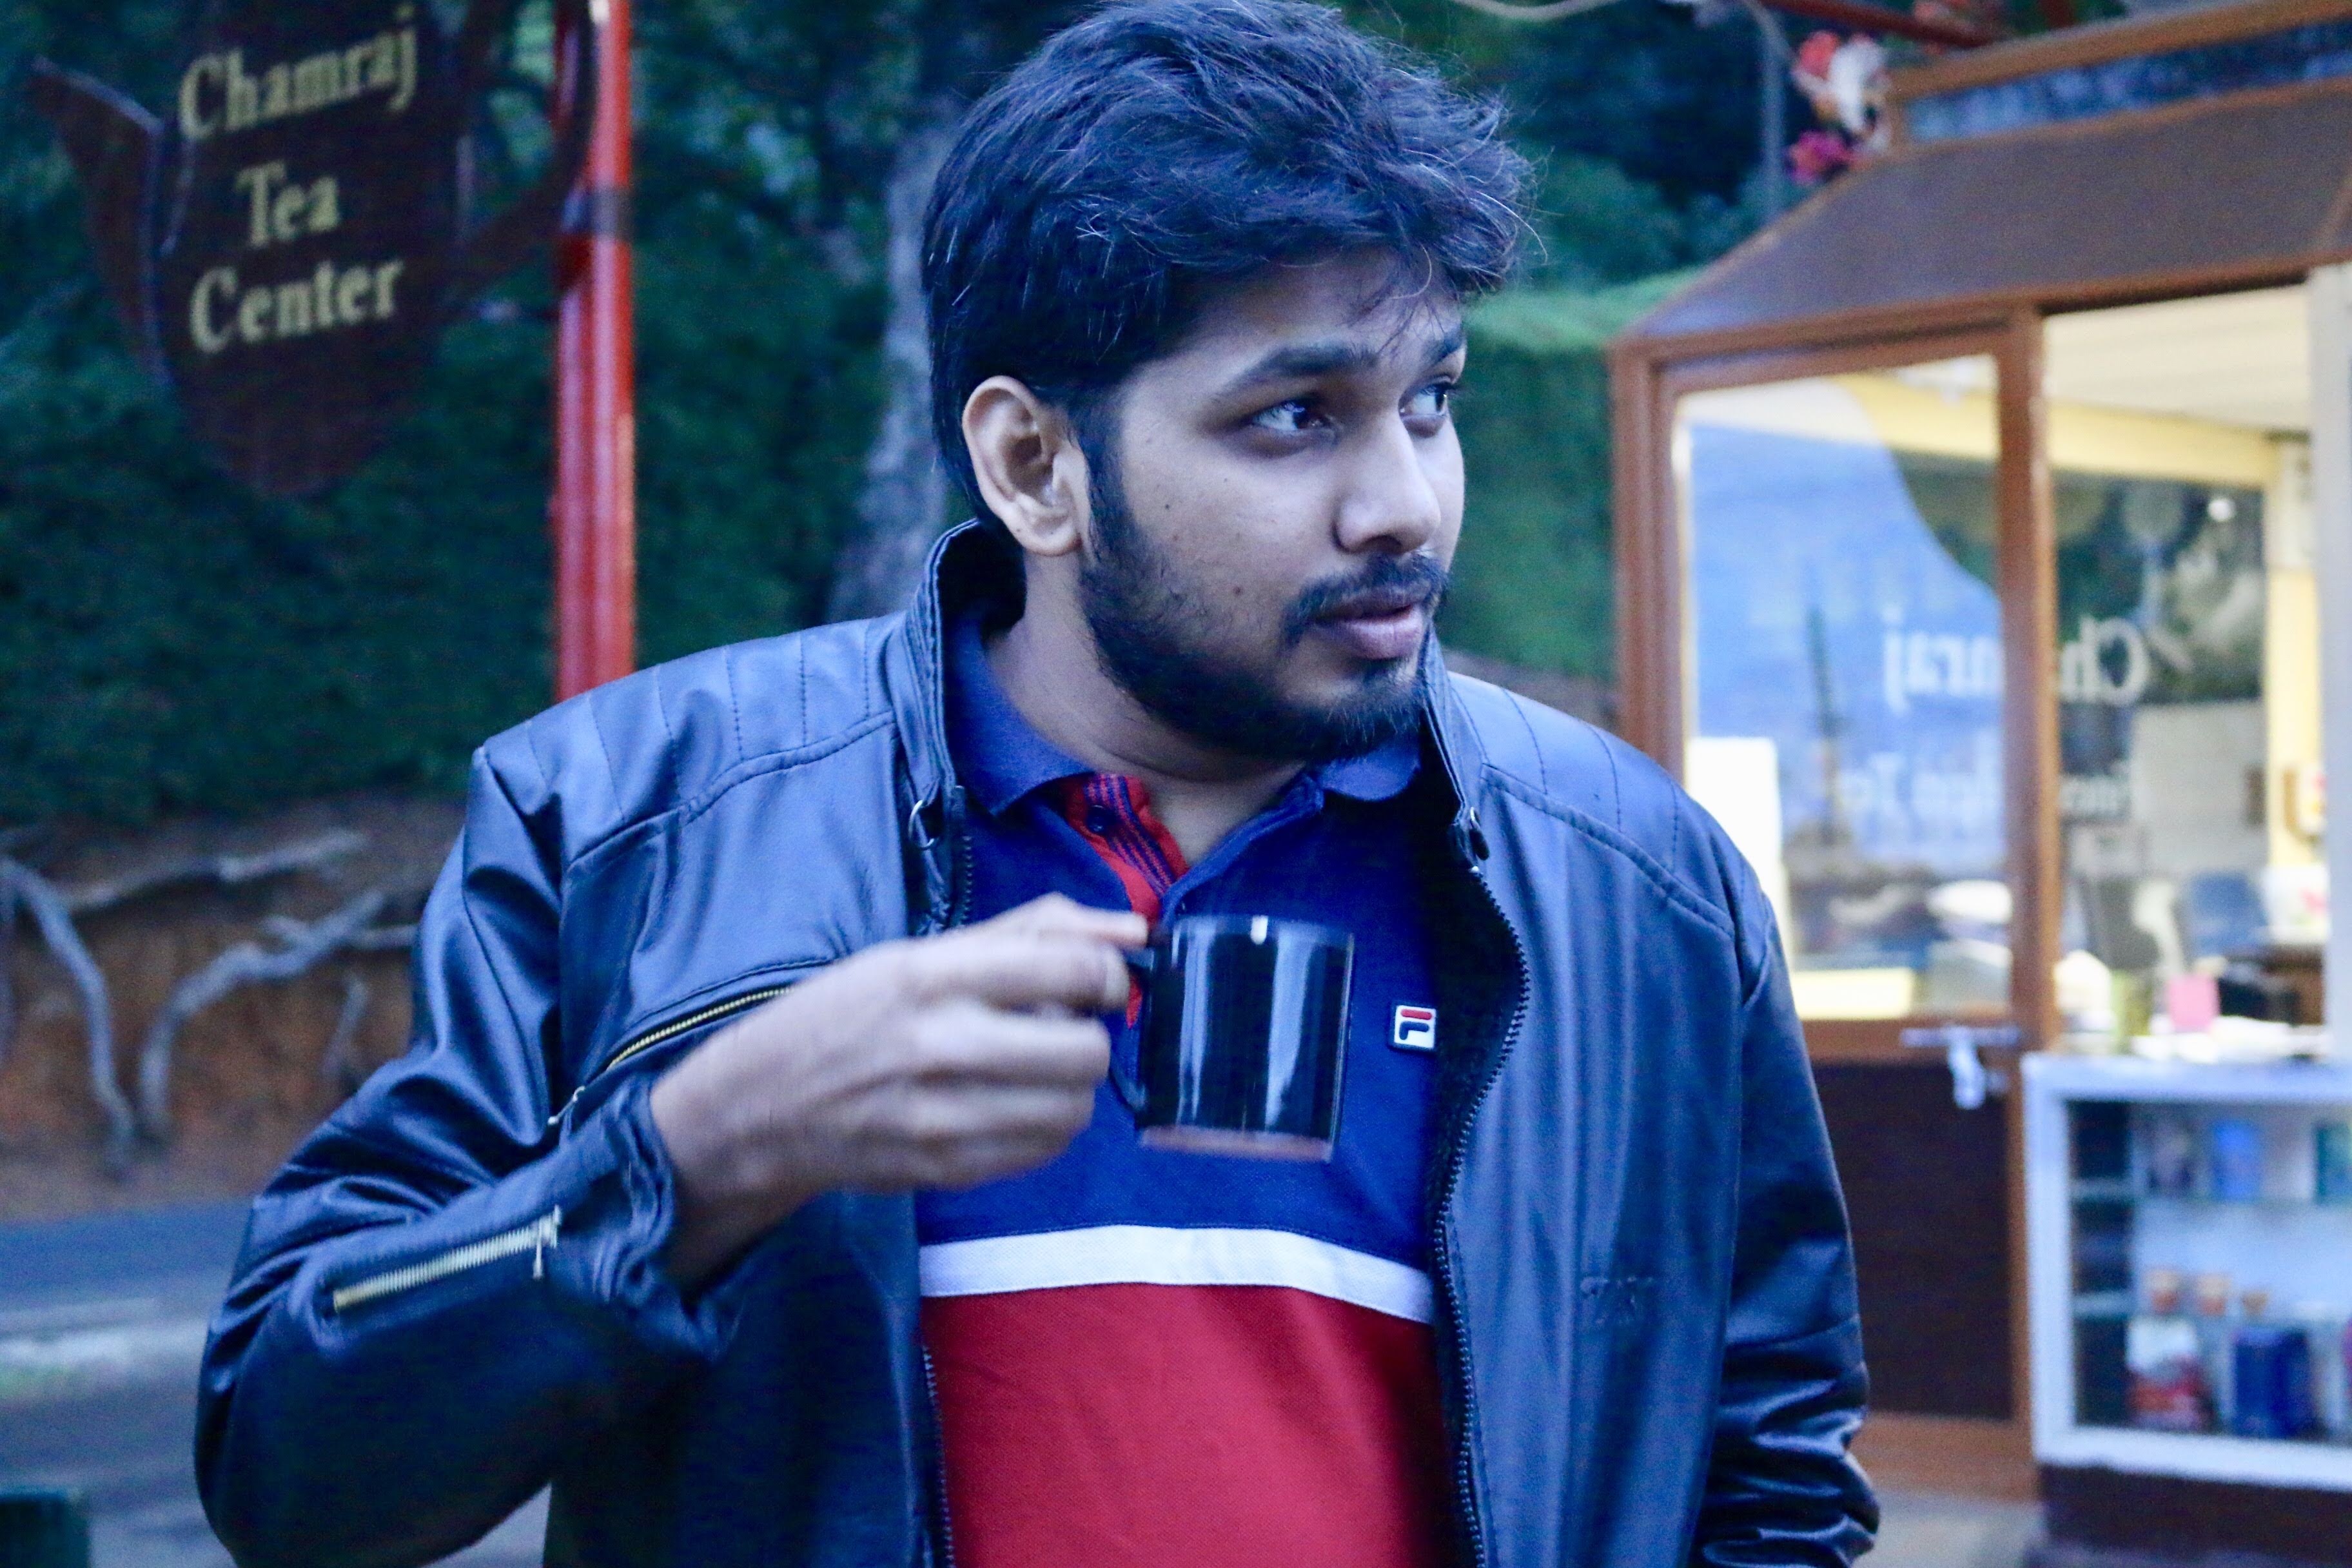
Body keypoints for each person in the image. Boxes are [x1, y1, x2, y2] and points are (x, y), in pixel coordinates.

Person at [196, 5, 1876, 1565]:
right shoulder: (625, 824)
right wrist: (699, 1155)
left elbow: (1771, 1478)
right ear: (1033, 463)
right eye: (1298, 417)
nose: (1405, 507)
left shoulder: (1641, 887)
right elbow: (289, 1458)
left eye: (1430, 402)